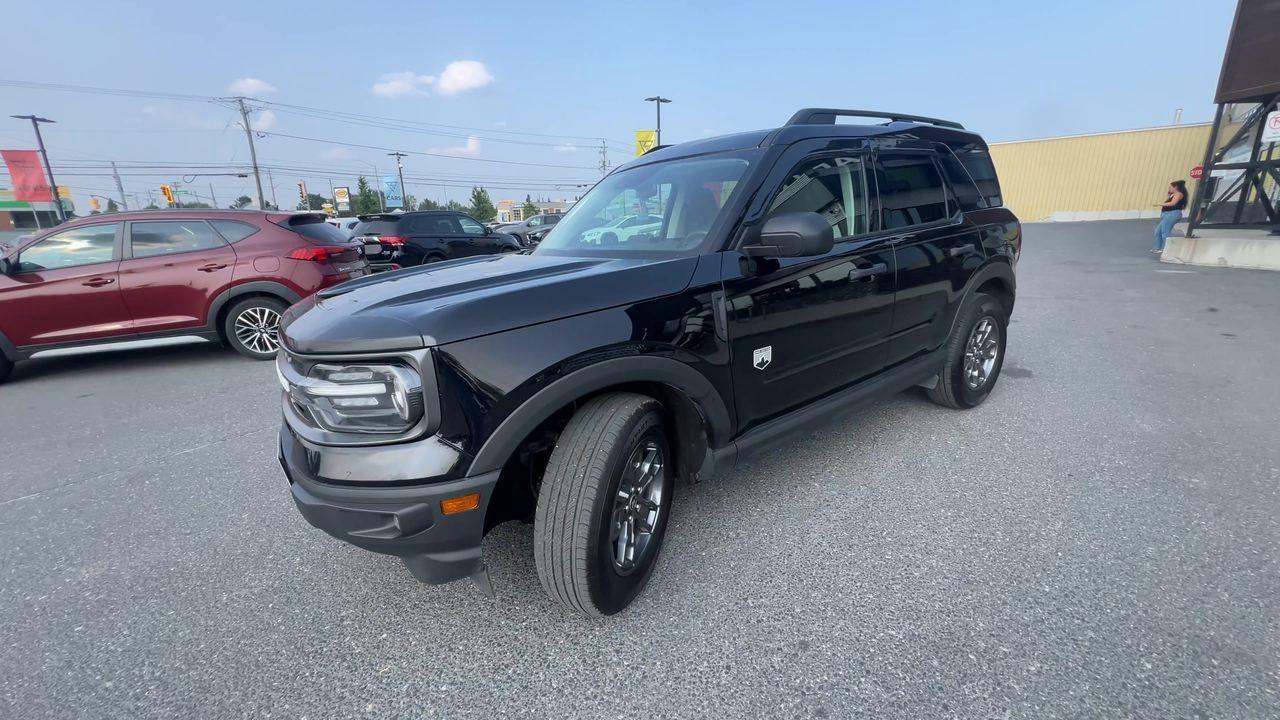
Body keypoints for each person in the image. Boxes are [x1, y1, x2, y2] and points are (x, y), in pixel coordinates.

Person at [1152, 180, 1188, 253]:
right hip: (1167, 214)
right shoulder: (1172, 194)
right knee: (1157, 231)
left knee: (1165, 231)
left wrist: (1160, 204)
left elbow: (1173, 203)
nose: (1169, 188)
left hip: (1172, 214)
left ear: (1176, 187)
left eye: (1171, 187)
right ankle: (1157, 247)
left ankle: (1167, 248)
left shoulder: (1178, 194)